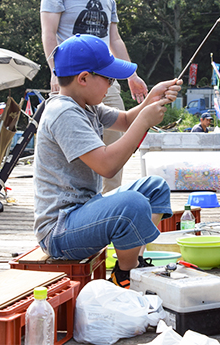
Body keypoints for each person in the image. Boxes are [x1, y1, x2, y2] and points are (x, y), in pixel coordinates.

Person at [33, 34, 181, 289]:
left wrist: (152, 98)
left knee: (155, 188)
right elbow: (107, 165)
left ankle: (132, 258)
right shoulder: (64, 113)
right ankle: (126, 274)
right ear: (83, 78)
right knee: (132, 204)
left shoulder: (85, 104)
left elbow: (124, 120)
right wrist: (145, 120)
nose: (113, 85)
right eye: (109, 79)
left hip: (85, 212)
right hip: (60, 230)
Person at [41, 0, 149, 194]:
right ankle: (75, 198)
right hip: (71, 78)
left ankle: (111, 197)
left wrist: (131, 75)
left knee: (116, 132)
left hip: (105, 76)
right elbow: (49, 34)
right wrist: (55, 71)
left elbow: (115, 39)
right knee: (74, 137)